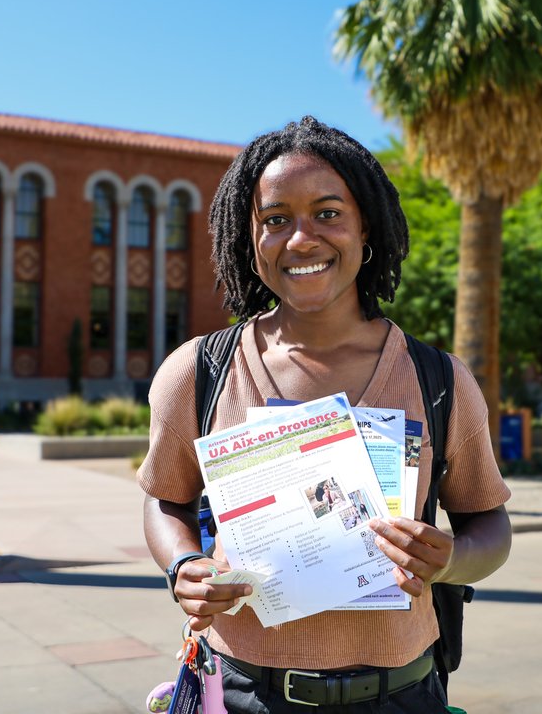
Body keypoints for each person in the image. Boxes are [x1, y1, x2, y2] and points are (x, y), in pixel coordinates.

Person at [139, 116, 512, 713]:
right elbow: (166, 502)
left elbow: (489, 525)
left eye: (328, 213)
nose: (301, 239)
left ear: (367, 231)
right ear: (248, 239)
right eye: (276, 219)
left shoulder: (438, 379)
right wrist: (185, 564)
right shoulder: (197, 371)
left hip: (400, 695)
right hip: (244, 695)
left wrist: (449, 559)